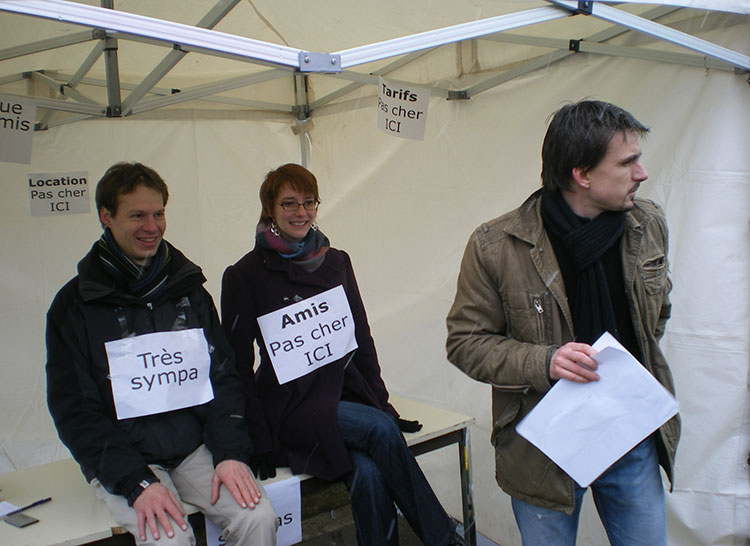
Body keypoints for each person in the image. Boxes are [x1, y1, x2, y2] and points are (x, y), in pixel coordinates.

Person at [446, 100, 680, 546]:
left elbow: (658, 313)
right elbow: (466, 343)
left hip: (630, 431)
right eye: (628, 161)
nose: (642, 173)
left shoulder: (646, 224)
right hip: (544, 451)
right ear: (582, 174)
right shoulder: (497, 246)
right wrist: (546, 361)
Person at [221, 163, 466, 546]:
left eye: (308, 202)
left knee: (368, 470)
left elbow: (361, 338)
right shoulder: (244, 275)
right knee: (378, 430)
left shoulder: (337, 262)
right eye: (289, 203)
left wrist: (380, 401)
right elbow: (236, 364)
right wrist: (258, 436)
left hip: (343, 394)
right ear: (269, 208)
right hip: (290, 406)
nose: (301, 212)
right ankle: (443, 539)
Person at [46, 162, 277, 546]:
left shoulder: (188, 289)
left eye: (158, 214)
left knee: (259, 517)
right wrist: (137, 482)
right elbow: (75, 411)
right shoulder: (74, 306)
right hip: (127, 457)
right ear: (106, 217)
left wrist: (231, 453)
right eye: (137, 215)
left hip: (193, 447)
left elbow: (222, 377)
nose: (151, 226)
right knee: (168, 538)